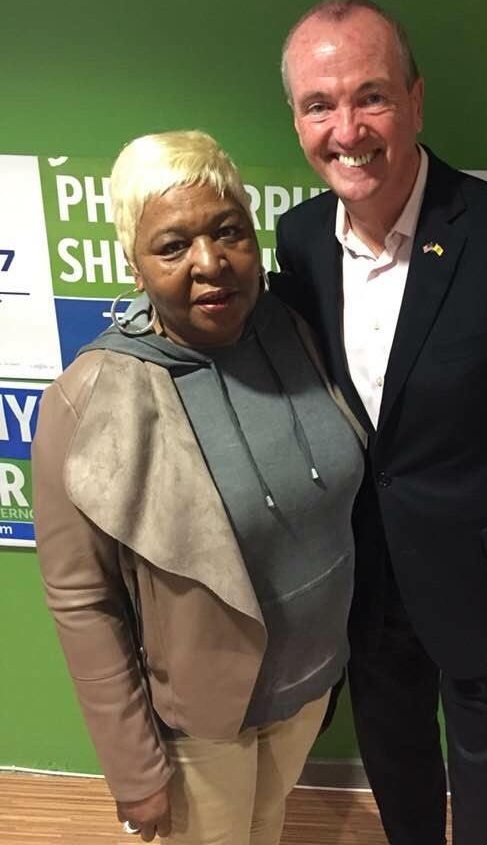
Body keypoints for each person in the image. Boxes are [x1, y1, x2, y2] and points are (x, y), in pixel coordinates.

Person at [271, 0, 487, 845]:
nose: (347, 130)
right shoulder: (300, 238)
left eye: (371, 96)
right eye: (319, 105)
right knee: (397, 772)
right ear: (297, 119)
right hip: (364, 590)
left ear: (417, 100)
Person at [32, 130, 365, 845]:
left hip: (309, 685)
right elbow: (83, 601)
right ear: (135, 263)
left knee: (266, 827)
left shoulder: (294, 328)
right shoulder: (88, 402)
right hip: (203, 724)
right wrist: (134, 770)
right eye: (173, 245)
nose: (210, 262)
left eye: (228, 231)